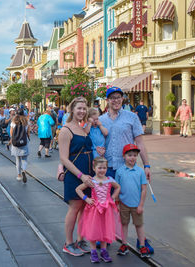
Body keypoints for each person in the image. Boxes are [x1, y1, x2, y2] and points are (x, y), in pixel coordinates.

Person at [58, 97, 93, 256]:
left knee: (83, 208)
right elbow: (64, 158)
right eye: (79, 108)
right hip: (76, 174)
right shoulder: (66, 130)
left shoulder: (81, 128)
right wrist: (81, 175)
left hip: (87, 173)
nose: (82, 111)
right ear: (72, 109)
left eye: (84, 109)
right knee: (74, 207)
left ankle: (80, 240)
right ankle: (68, 243)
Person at [99, 87, 151, 182]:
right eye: (112, 98)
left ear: (122, 99)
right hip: (106, 168)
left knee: (127, 196)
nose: (116, 100)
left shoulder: (132, 117)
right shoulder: (100, 120)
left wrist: (146, 165)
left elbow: (140, 143)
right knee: (107, 197)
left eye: (118, 97)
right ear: (107, 100)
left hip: (127, 167)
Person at [76, 157, 120, 263]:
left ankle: (104, 251)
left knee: (105, 229)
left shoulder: (109, 180)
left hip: (106, 210)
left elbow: (118, 187)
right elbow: (78, 189)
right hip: (94, 209)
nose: (102, 170)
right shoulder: (92, 181)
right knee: (94, 230)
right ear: (94, 168)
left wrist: (113, 197)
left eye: (104, 168)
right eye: (99, 168)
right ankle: (93, 251)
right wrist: (86, 199)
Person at [115, 144, 150, 258]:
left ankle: (142, 245)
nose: (132, 157)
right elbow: (117, 188)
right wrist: (117, 203)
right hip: (123, 203)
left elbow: (144, 189)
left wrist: (141, 205)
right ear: (124, 156)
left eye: (135, 155)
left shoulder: (140, 172)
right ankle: (124, 244)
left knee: (139, 225)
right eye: (129, 155)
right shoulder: (120, 171)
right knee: (124, 224)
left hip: (136, 205)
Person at [10, 108, 30, 183]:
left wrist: (13, 140)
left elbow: (11, 133)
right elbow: (28, 132)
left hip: (16, 142)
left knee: (18, 159)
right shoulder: (26, 122)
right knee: (24, 159)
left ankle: (19, 175)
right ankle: (24, 171)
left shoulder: (13, 122)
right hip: (24, 142)